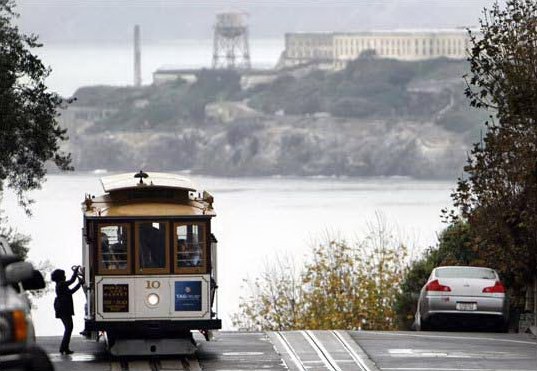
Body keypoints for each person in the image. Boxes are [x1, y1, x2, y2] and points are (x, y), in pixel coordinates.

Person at [51, 266, 84, 355]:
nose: (65, 277)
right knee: (69, 328)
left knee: (68, 328)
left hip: (63, 309)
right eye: (64, 275)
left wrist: (79, 284)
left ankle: (64, 348)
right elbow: (71, 282)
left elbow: (70, 291)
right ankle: (63, 348)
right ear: (60, 277)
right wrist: (76, 273)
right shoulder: (61, 284)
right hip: (63, 309)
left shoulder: (60, 285)